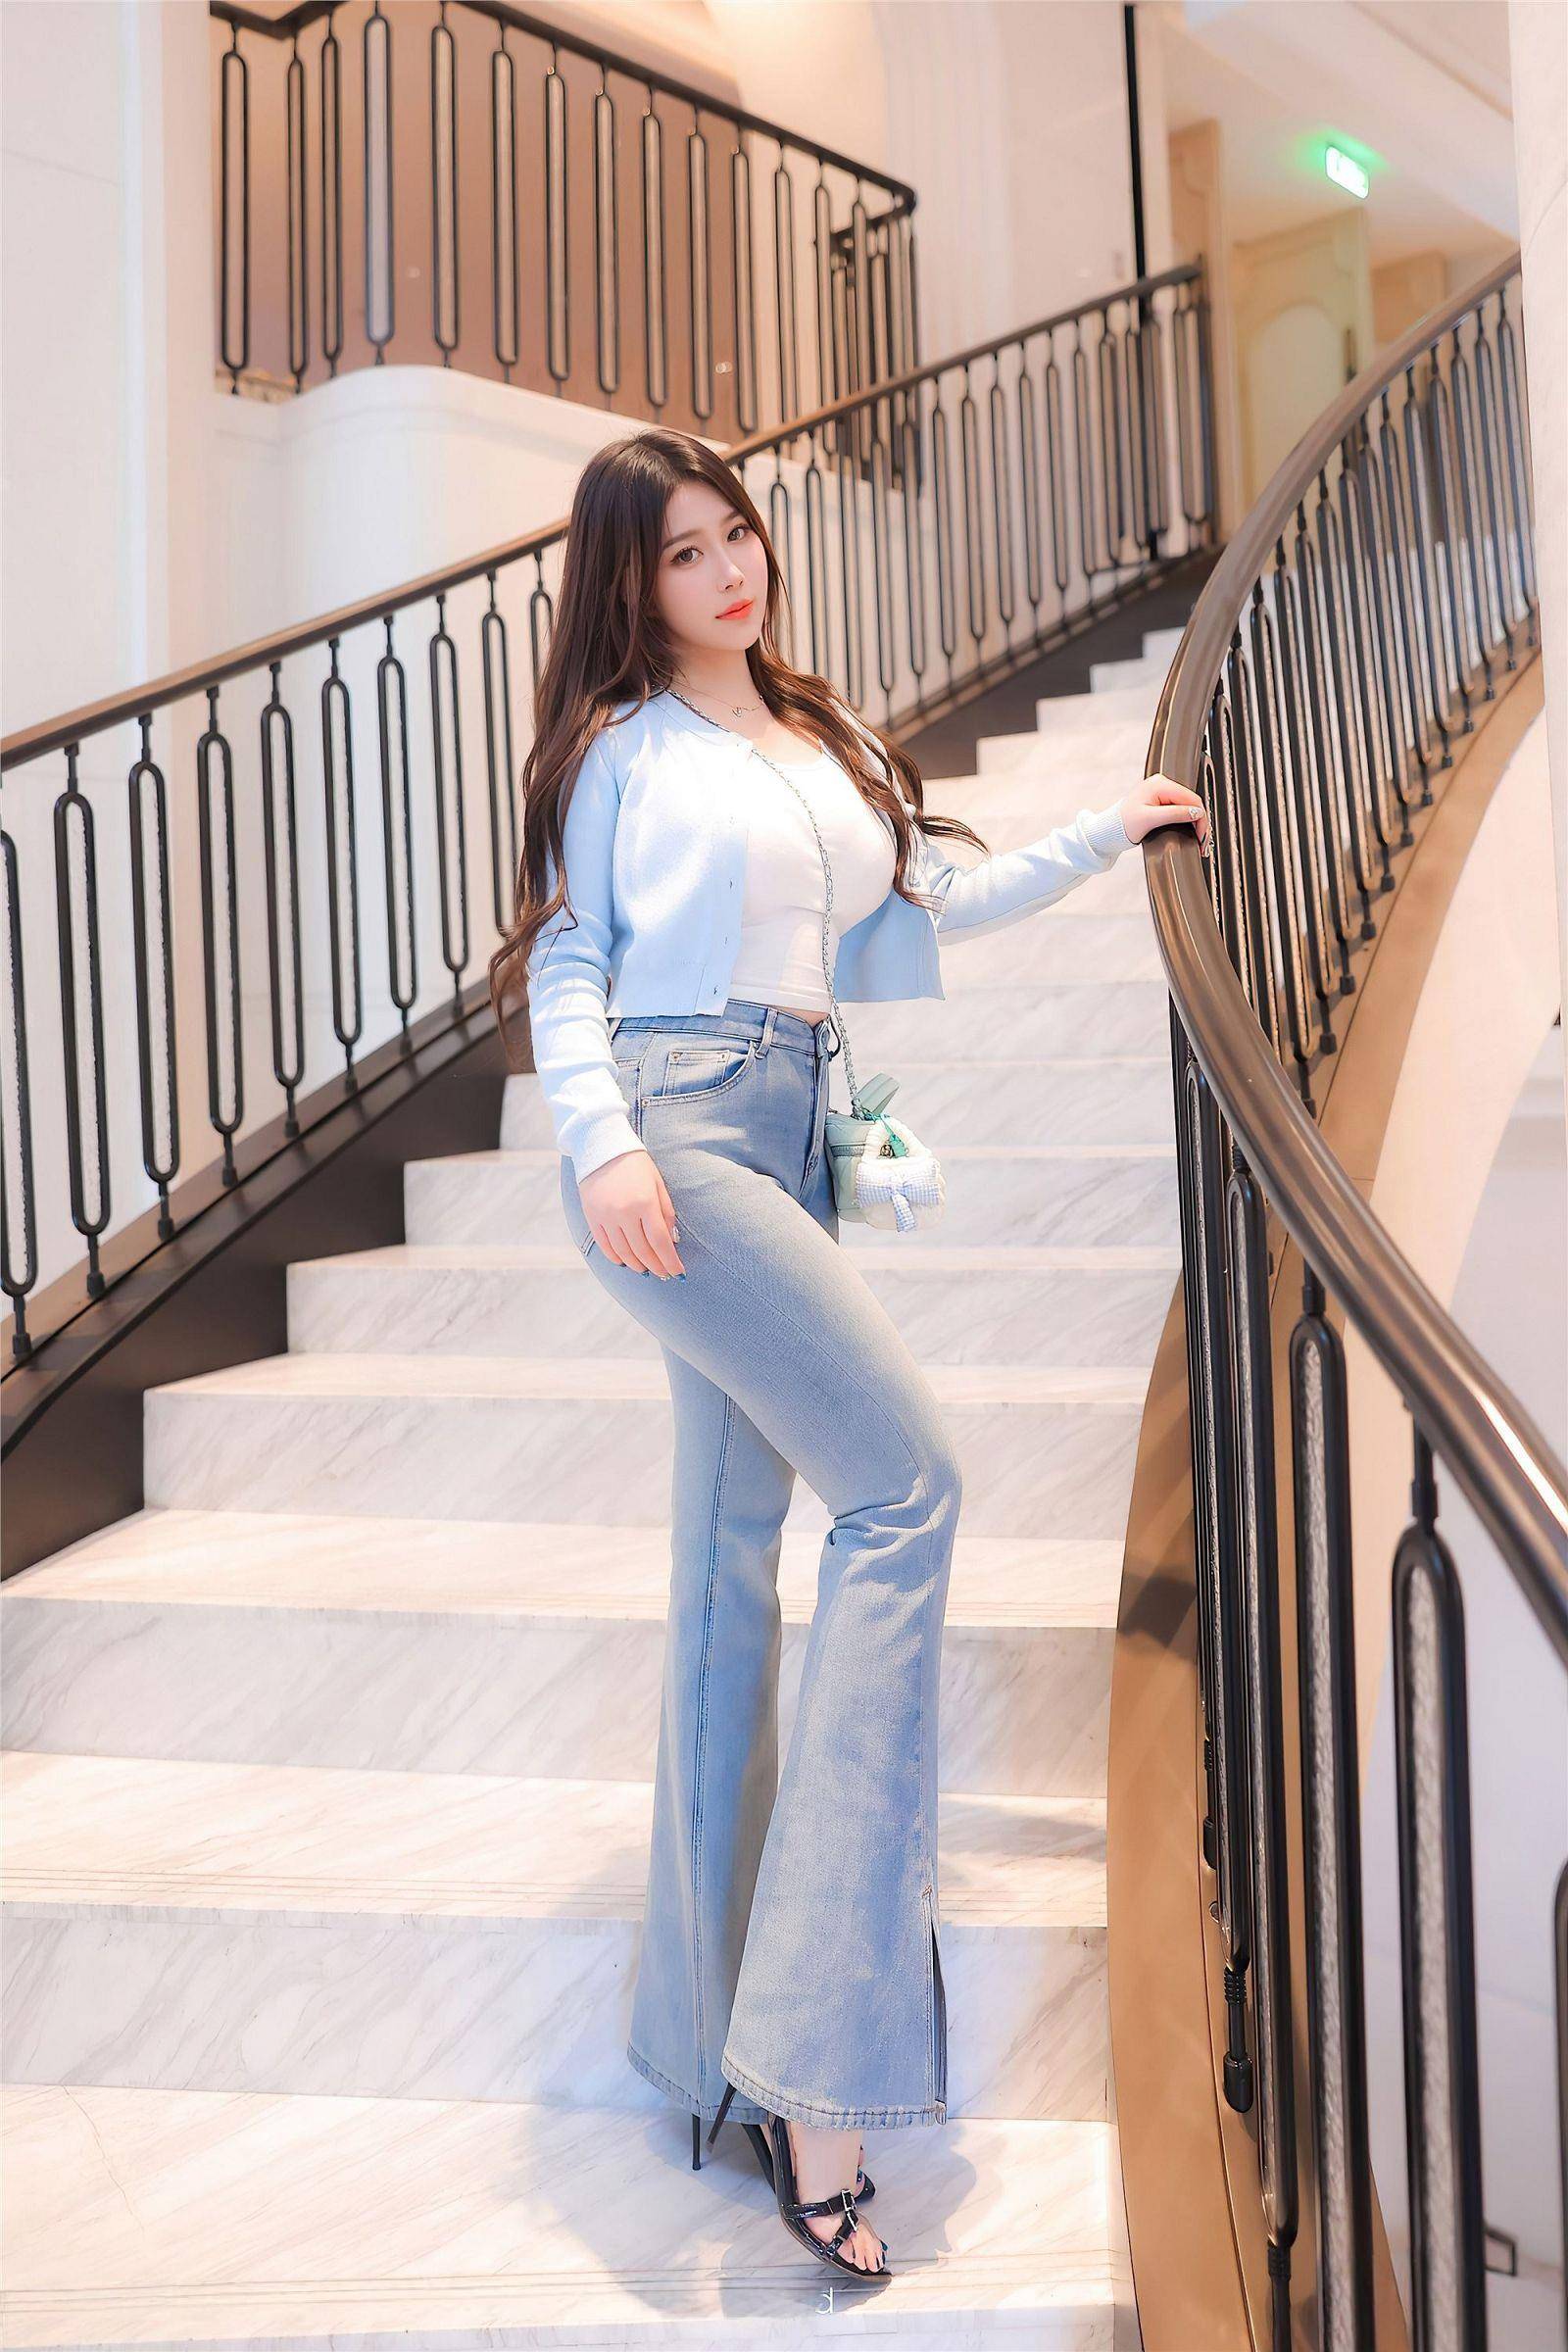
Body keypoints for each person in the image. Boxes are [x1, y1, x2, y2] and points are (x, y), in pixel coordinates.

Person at [488, 425, 1209, 2283]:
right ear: (631, 584)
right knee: (908, 1492)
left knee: (729, 1566)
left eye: (737, 534)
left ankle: (710, 2045)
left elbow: (934, 896)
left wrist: (1109, 831)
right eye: (683, 553)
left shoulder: (818, 739)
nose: (729, 571)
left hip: (794, 1124)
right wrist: (601, 1141)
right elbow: (569, 959)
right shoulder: (622, 752)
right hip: (674, 1132)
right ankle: (819, 2072)